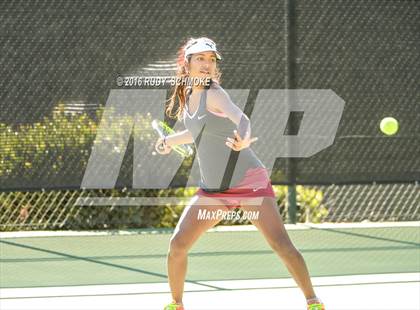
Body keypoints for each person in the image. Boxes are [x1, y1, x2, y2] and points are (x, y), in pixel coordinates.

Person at [156, 37, 325, 310]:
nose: (207, 64)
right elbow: (198, 131)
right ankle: (176, 304)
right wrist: (169, 141)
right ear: (186, 64)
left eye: (211, 60)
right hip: (215, 189)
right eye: (200, 58)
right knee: (178, 245)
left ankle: (312, 300)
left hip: (248, 182)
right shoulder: (188, 94)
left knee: (281, 244)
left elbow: (241, 118)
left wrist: (244, 139)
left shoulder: (214, 93)